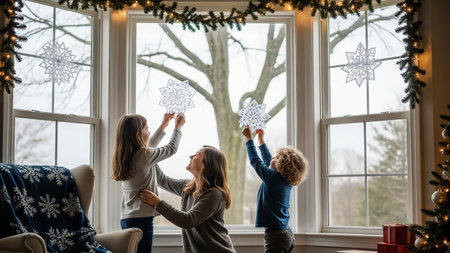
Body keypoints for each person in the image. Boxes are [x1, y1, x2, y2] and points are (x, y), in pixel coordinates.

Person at [111, 113, 185, 253]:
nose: (149, 132)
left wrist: (163, 126)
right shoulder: (144, 155)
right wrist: (177, 127)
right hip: (142, 219)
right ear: (138, 135)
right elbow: (171, 149)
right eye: (147, 129)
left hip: (127, 218)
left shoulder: (126, 156)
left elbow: (149, 145)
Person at [139, 145, 235, 253]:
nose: (191, 156)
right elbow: (163, 180)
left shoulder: (214, 195)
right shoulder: (188, 187)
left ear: (206, 165)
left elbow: (188, 220)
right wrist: (148, 155)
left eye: (197, 155)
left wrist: (158, 203)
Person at [241, 126, 308, 253]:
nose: (272, 157)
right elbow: (268, 160)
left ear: (281, 168)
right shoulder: (282, 180)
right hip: (285, 234)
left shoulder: (273, 179)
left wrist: (249, 139)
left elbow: (256, 161)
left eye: (276, 158)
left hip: (276, 236)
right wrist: (261, 140)